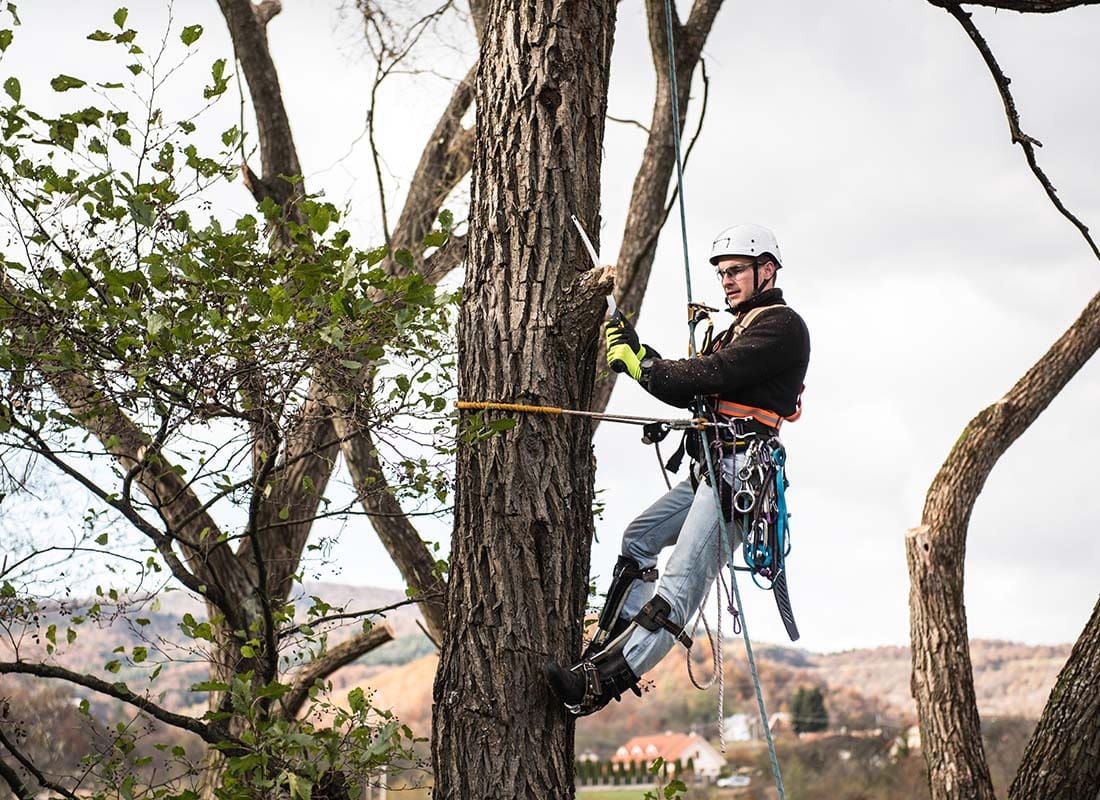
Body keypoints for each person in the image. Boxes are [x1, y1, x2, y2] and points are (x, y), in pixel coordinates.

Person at [545, 223, 811, 716]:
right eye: (722, 274)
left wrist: (642, 363)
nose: (727, 282)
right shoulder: (738, 328)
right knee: (638, 538)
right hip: (711, 468)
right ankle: (613, 640)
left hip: (738, 479)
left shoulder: (781, 327)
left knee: (677, 592)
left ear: (766, 270)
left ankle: (595, 686)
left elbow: (711, 376)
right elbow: (696, 382)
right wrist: (643, 355)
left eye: (736, 272)